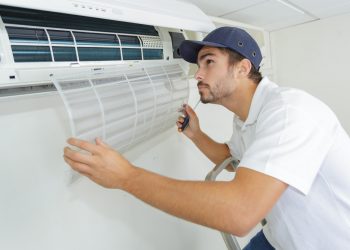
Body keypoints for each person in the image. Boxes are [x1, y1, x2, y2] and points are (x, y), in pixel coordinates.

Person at [63, 26, 350, 249]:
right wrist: (196, 134)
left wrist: (126, 177)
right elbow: (233, 160)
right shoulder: (246, 119)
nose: (198, 74)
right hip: (281, 239)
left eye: (208, 62)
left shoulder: (289, 112)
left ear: (242, 68)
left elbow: (240, 213)